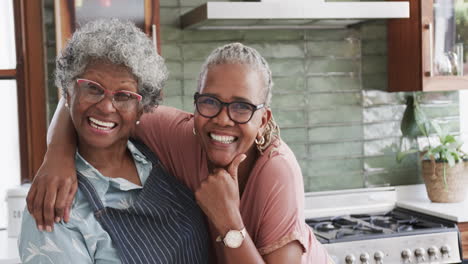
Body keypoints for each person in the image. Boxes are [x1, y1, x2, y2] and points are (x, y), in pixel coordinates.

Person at [27, 43, 332, 263]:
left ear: (263, 118)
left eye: (242, 107)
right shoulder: (179, 134)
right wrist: (56, 156)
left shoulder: (275, 170)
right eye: (211, 101)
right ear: (196, 103)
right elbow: (90, 101)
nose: (223, 119)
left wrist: (227, 220)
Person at [18, 19, 210, 264]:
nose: (106, 107)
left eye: (124, 96)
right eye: (93, 88)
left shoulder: (158, 154)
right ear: (68, 93)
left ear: (141, 109)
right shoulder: (53, 204)